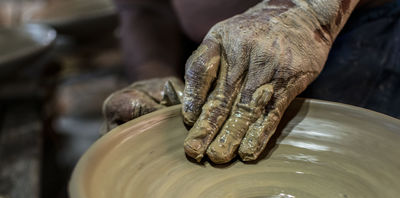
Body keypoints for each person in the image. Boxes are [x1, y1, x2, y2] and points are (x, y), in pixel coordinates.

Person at [105, 0, 400, 164]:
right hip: (207, 54)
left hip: (358, 32)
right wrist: (152, 74)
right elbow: (143, 9)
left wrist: (307, 11)